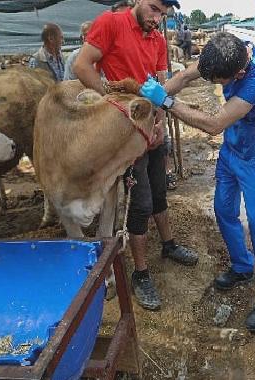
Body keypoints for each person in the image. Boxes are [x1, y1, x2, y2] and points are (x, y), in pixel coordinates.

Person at [139, 32, 255, 332]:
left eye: (219, 82)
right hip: (232, 150)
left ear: (239, 73)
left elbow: (214, 124)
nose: (217, 85)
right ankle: (242, 266)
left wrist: (164, 102)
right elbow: (185, 77)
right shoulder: (221, 53)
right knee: (223, 210)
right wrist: (151, 99)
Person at [73, 0, 198, 312]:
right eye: (155, 9)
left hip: (152, 123)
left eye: (164, 15)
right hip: (124, 132)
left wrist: (158, 122)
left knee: (159, 189)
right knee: (139, 201)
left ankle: (168, 245)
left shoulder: (156, 37)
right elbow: (81, 65)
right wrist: (108, 102)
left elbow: (160, 82)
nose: (157, 19)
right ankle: (140, 273)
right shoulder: (110, 23)